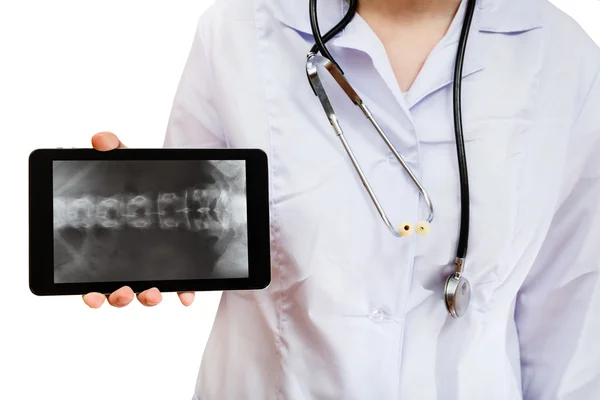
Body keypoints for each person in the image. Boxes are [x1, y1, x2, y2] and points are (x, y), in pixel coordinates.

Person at [83, 0, 600, 398]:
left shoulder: (562, 54)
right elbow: (190, 230)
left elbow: (574, 304)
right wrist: (136, 219)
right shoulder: (240, 28)